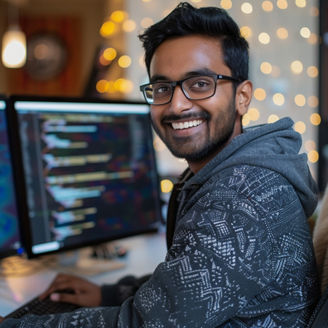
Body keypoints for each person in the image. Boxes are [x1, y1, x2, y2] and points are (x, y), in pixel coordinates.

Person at [0, 2, 319, 327]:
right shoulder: (232, 174)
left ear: (242, 96)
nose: (177, 105)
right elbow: (185, 289)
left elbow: (146, 325)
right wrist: (109, 294)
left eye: (199, 84)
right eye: (163, 88)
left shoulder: (242, 198)